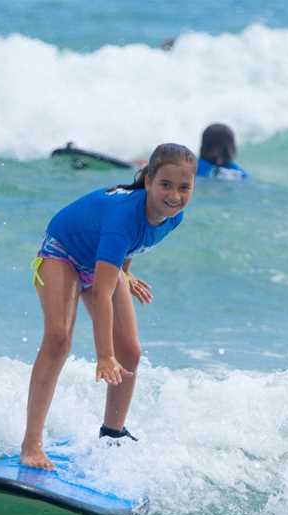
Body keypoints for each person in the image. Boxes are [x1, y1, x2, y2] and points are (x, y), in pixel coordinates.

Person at [20, 143, 198, 470]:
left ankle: (112, 435)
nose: (174, 195)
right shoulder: (123, 217)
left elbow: (131, 244)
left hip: (101, 260)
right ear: (148, 182)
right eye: (166, 185)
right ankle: (31, 444)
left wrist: (125, 275)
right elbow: (102, 292)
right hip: (63, 253)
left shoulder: (174, 218)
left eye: (184, 187)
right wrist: (104, 356)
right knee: (59, 340)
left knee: (130, 352)